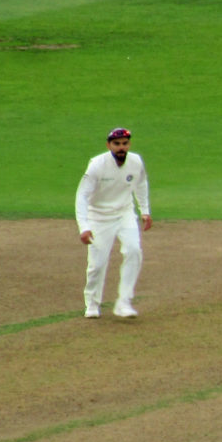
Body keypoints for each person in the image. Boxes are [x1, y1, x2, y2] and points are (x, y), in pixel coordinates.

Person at [75, 127, 151, 317]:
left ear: (129, 144)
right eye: (116, 144)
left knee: (134, 250)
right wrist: (84, 227)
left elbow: (141, 184)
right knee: (97, 264)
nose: (121, 148)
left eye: (124, 144)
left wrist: (145, 211)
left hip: (124, 213)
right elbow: (82, 195)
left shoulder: (135, 161)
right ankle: (92, 304)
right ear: (109, 145)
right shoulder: (97, 165)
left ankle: (124, 302)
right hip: (98, 217)